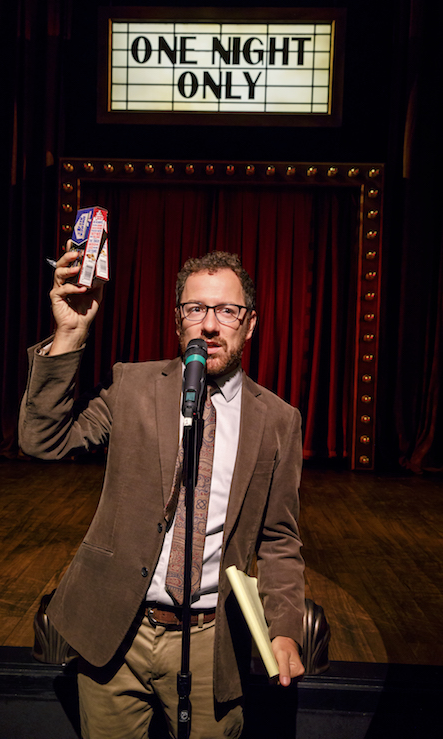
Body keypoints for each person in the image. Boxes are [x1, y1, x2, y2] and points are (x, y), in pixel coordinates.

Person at [19, 248, 305, 739]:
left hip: (212, 642)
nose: (209, 325)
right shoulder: (133, 385)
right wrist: (70, 333)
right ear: (178, 321)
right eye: (196, 309)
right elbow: (43, 441)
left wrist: (283, 630)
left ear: (250, 324)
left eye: (226, 311)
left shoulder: (279, 420)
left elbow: (279, 539)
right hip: (116, 634)